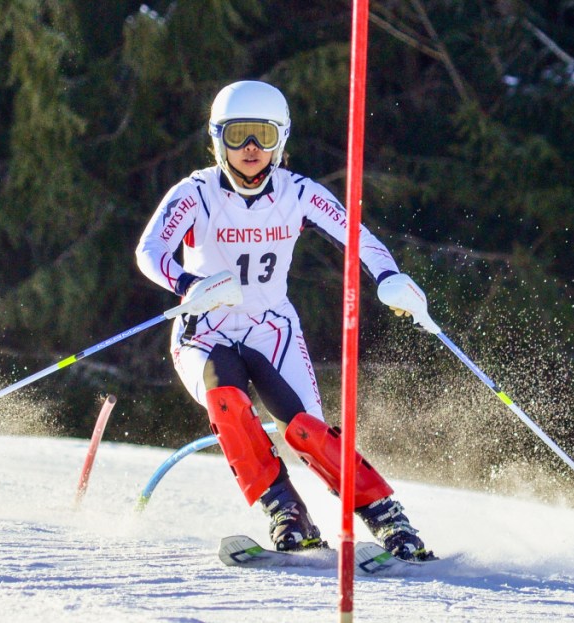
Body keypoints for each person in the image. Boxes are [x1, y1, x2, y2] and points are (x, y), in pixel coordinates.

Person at [135, 80, 436, 561]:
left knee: (304, 429)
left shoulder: (299, 193)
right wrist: (187, 284)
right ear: (217, 140)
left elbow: (358, 237)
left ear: (282, 141)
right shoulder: (196, 193)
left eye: (264, 136)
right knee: (226, 399)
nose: (251, 149)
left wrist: (390, 277)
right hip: (205, 329)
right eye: (238, 136)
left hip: (272, 326)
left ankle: (386, 515)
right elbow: (149, 253)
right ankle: (286, 511)